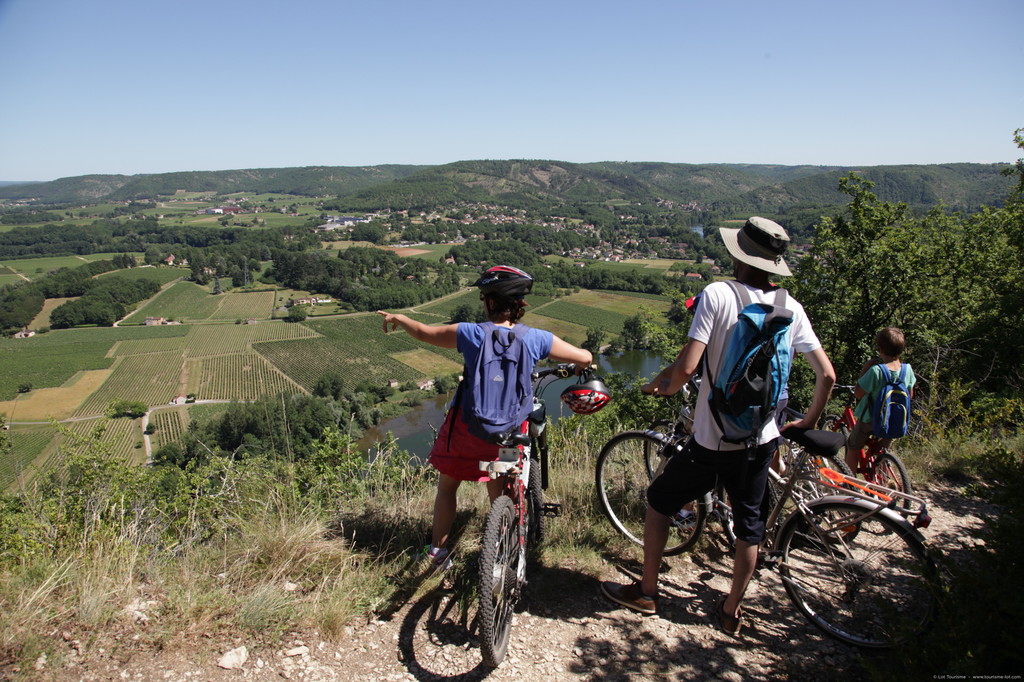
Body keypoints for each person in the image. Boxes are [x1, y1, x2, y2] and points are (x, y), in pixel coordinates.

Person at [600, 217, 836, 635]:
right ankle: (730, 610)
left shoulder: (717, 295)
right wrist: (809, 419)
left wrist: (664, 387)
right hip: (762, 437)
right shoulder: (789, 306)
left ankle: (648, 592)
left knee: (659, 500)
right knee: (750, 525)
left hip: (713, 438)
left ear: (737, 253)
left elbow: (688, 368)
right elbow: (828, 375)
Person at [378, 265, 592, 570]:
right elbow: (583, 357)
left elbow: (425, 333)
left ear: (490, 302)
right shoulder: (537, 339)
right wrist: (584, 362)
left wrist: (399, 318)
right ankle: (502, 553)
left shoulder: (470, 333)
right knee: (501, 489)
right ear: (518, 305)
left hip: (466, 426)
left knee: (448, 487)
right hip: (507, 429)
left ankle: (438, 554)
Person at [844, 327, 916, 471]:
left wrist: (865, 368)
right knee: (883, 450)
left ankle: (848, 481)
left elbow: (858, 393)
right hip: (893, 420)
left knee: (853, 445)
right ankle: (883, 479)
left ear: (880, 349)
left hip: (869, 419)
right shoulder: (907, 370)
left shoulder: (876, 371)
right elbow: (910, 395)